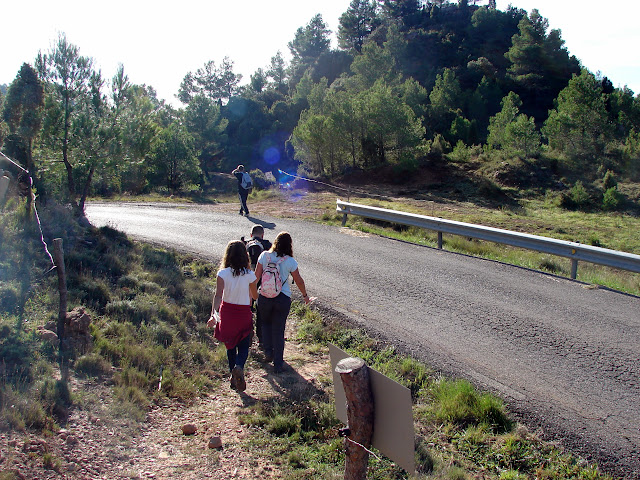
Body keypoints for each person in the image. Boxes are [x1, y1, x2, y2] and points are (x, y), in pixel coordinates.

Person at [255, 232, 311, 373]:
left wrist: (252, 294)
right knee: (279, 330)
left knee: (265, 324)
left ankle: (268, 352)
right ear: (289, 245)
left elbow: (255, 277)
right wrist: (305, 296)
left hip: (264, 296)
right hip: (282, 298)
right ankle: (278, 364)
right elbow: (299, 281)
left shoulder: (264, 256)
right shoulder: (290, 261)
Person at [208, 240, 258, 392]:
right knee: (243, 345)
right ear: (245, 256)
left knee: (230, 346)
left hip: (227, 313)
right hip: (243, 313)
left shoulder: (222, 274)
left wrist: (213, 315)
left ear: (227, 255)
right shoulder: (250, 275)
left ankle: (233, 376)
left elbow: (218, 296)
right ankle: (239, 367)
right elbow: (254, 295)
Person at [244, 225, 272, 347]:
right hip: (263, 282)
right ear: (263, 234)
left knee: (247, 308)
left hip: (247, 281)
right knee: (262, 310)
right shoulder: (267, 245)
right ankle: (262, 338)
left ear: (251, 234)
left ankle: (247, 335)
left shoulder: (243, 244)